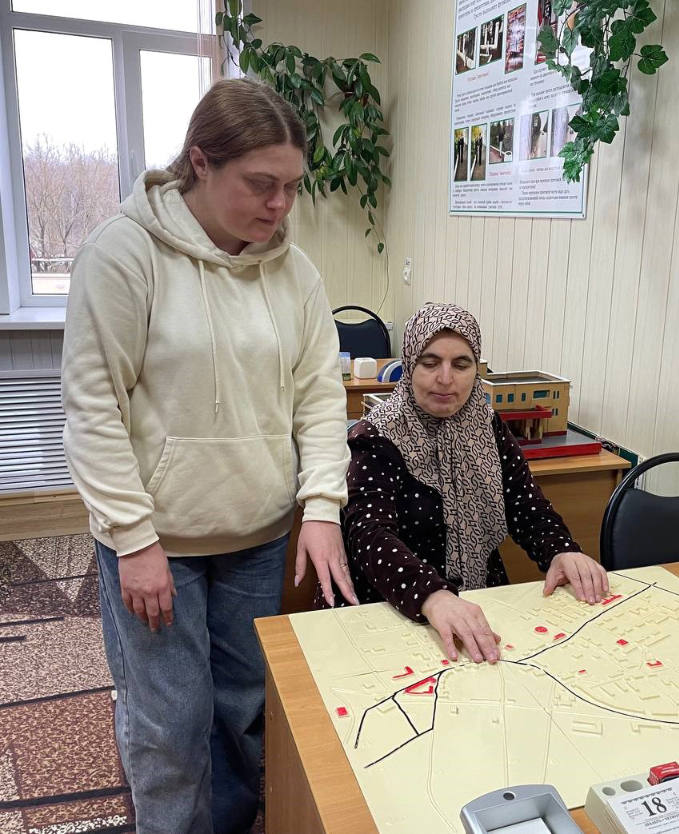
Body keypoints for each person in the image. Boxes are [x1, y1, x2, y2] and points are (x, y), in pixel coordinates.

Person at [62, 78, 357, 834]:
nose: (280, 205)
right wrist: (133, 538)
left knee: (241, 706)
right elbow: (93, 409)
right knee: (171, 720)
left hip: (257, 535)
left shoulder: (295, 272)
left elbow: (321, 396)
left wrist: (322, 507)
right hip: (156, 541)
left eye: (292, 186)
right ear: (200, 162)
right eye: (261, 184)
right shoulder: (122, 254)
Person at [316, 303, 609, 664]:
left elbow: (526, 507)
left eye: (461, 364)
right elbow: (369, 536)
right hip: (390, 605)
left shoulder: (487, 427)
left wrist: (562, 551)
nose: (445, 378)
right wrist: (432, 596)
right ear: (409, 365)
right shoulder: (376, 436)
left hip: (474, 601)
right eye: (430, 363)